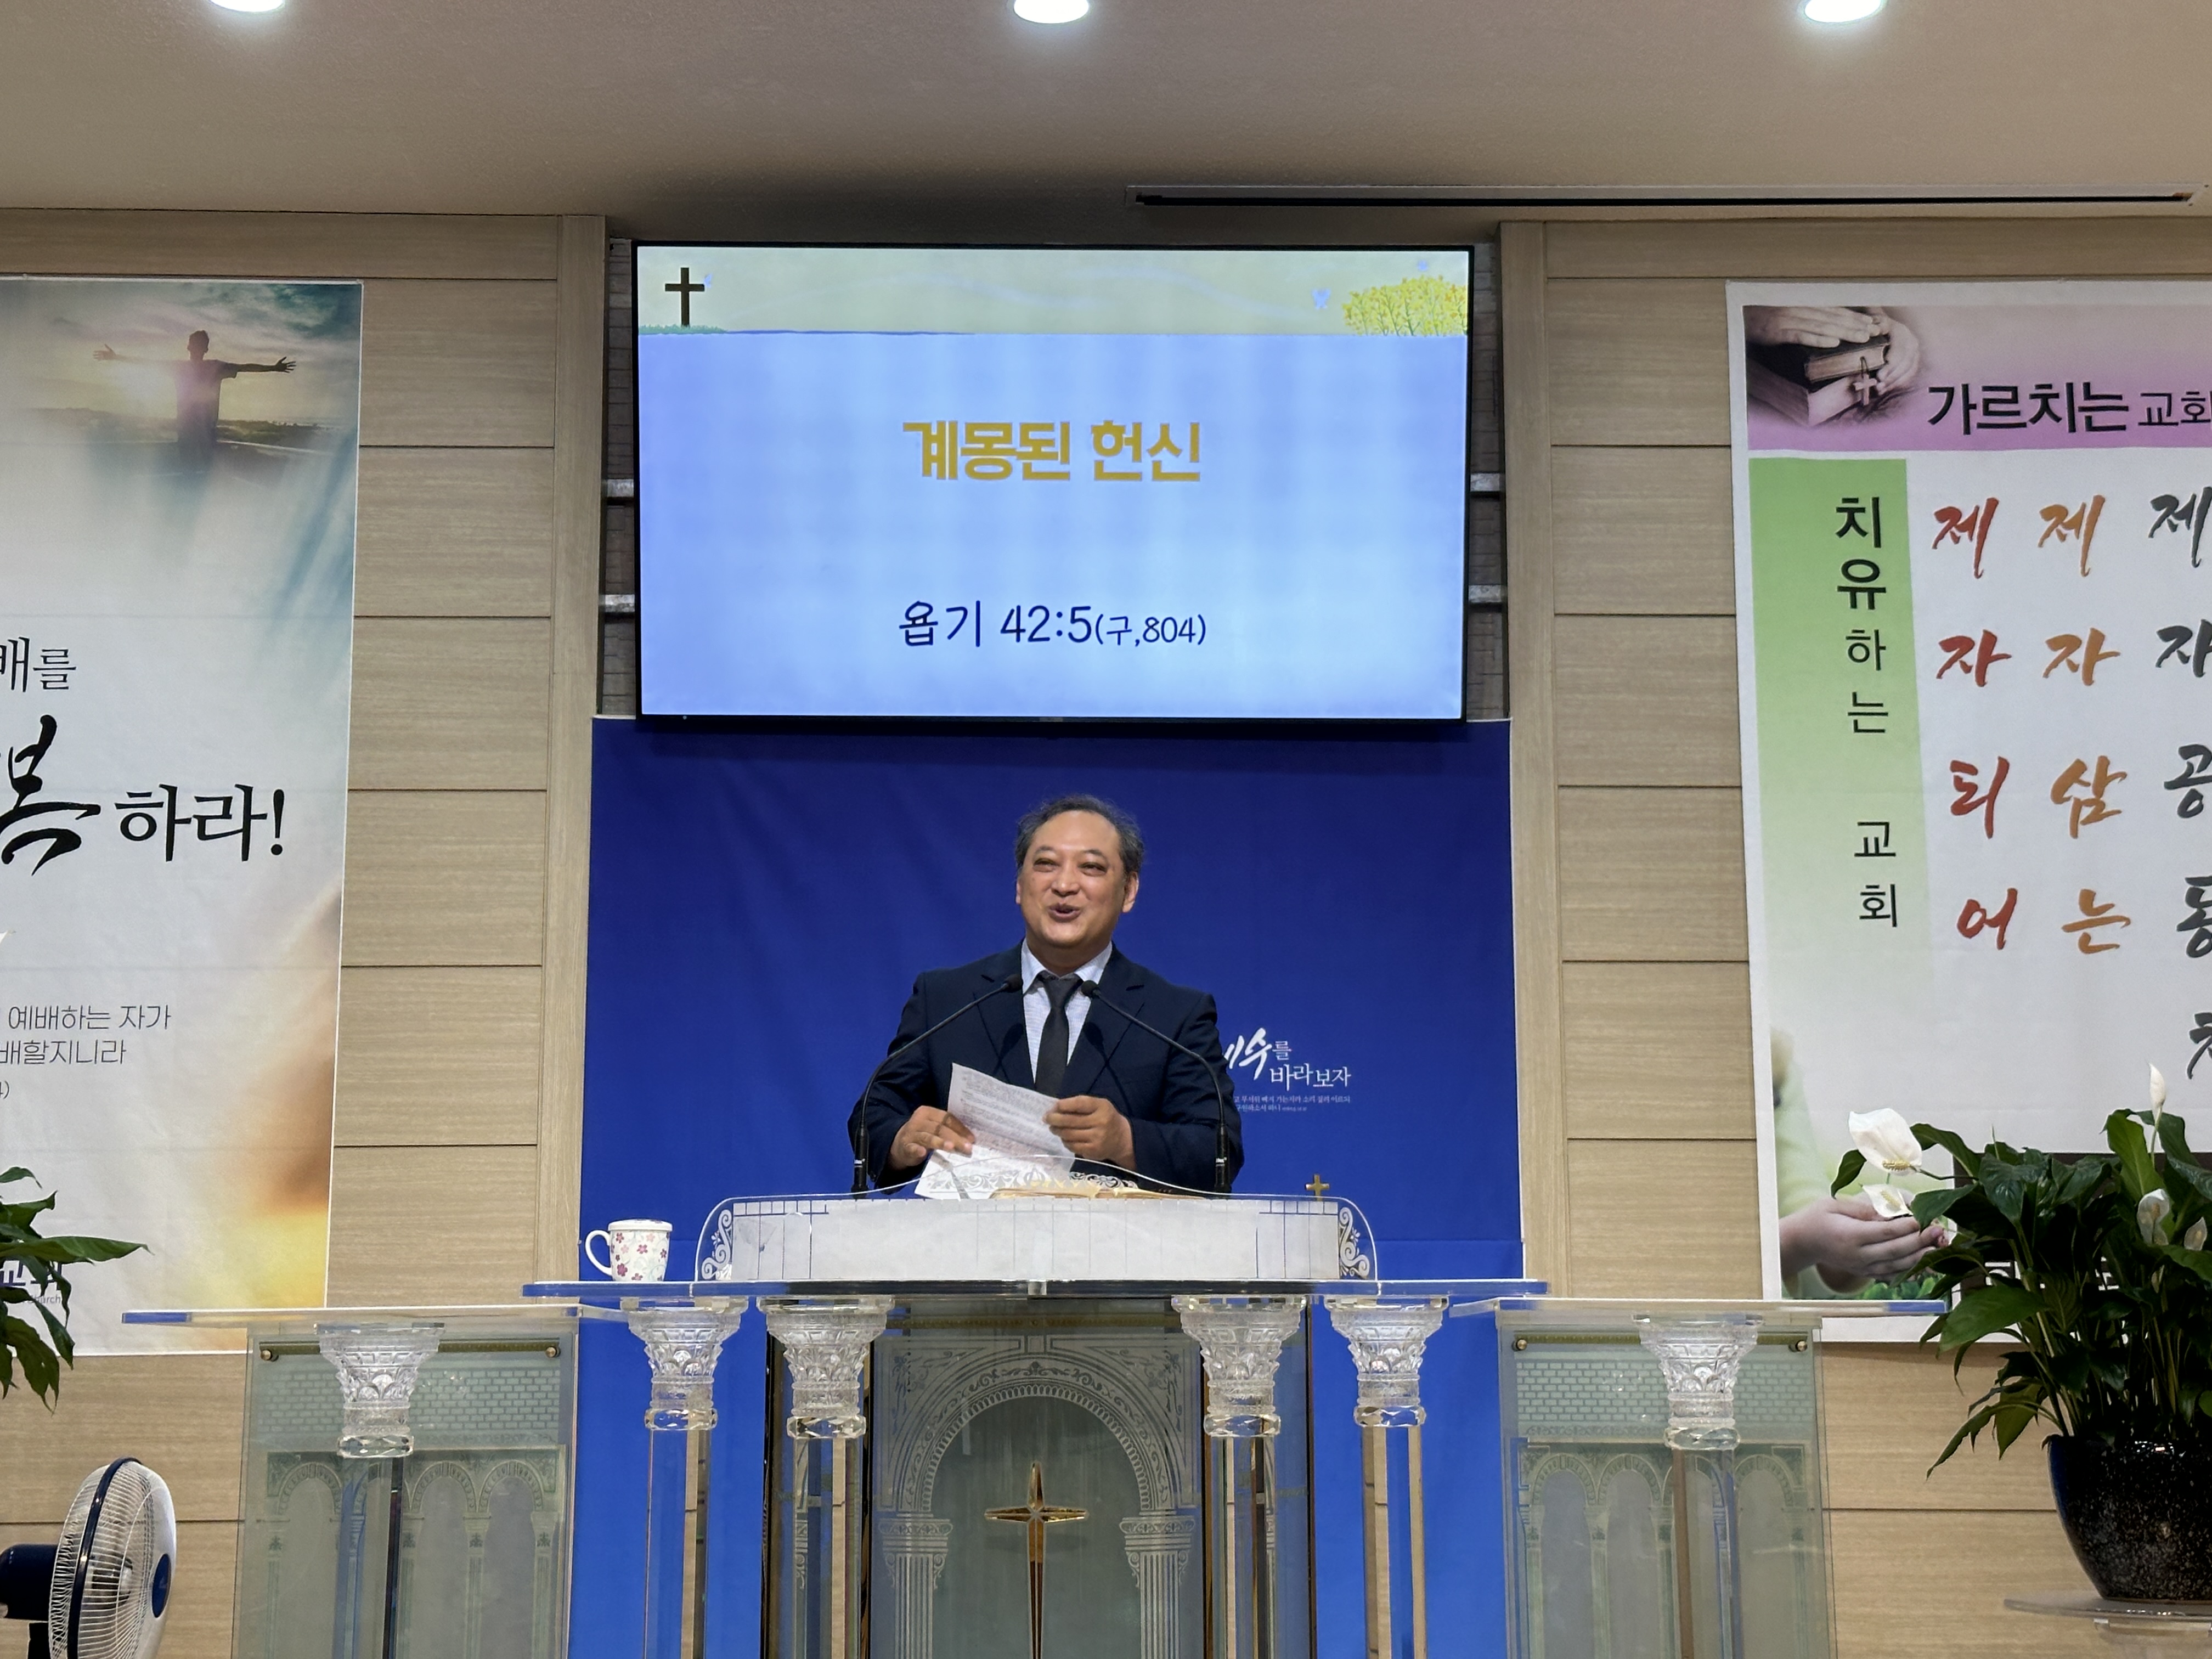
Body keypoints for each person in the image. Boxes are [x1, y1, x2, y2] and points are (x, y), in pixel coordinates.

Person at [849, 793, 1243, 1191]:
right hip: (975, 1229)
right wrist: (902, 1139)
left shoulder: (1174, 1014)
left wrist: (1125, 1140)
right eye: (1046, 864)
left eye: (1091, 867)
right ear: (1020, 886)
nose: (1064, 885)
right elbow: (873, 1115)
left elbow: (1218, 1151)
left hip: (1117, 1231)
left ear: (1128, 891)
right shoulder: (946, 998)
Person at [93, 330, 295, 467]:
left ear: (193, 348)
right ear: (192, 347)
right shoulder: (203, 368)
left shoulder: (211, 367)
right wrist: (117, 357)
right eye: (197, 345)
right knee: (196, 473)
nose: (197, 349)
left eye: (199, 345)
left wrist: (273, 368)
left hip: (199, 432)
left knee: (195, 473)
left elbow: (245, 367)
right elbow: (147, 363)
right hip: (195, 431)